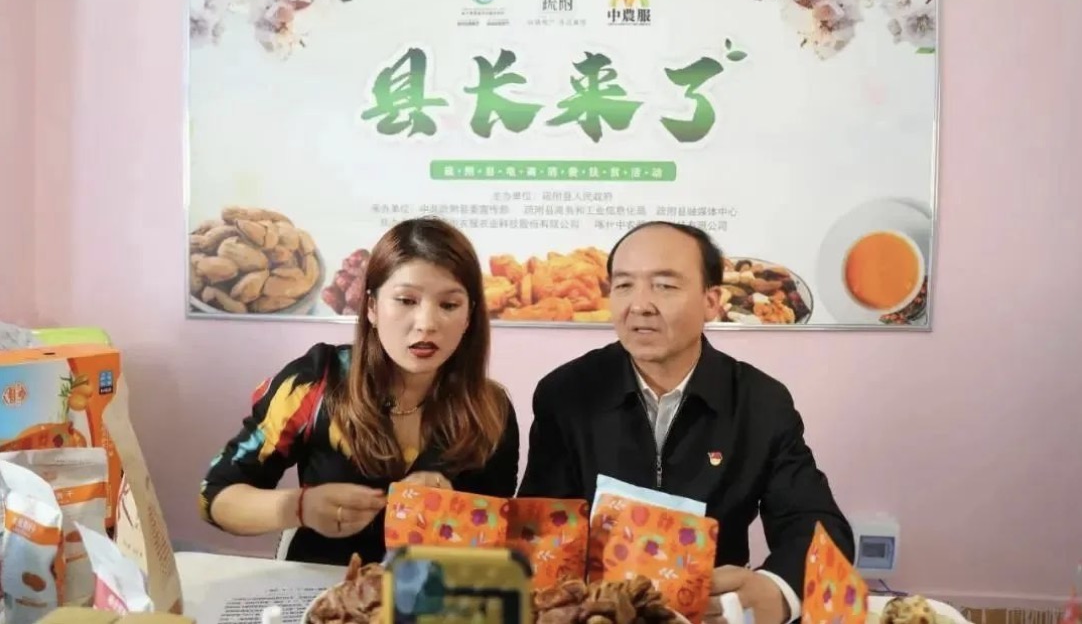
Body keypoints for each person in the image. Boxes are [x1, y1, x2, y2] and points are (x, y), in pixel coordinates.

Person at [517, 221, 853, 624]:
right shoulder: (567, 394)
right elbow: (541, 526)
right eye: (624, 285)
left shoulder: (759, 402)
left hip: (711, 614)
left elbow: (817, 526)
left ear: (712, 301)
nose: (640, 305)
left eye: (664, 285)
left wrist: (778, 590)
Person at [199, 217, 520, 565]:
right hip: (322, 589)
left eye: (449, 305)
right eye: (406, 300)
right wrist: (300, 507)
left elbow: (495, 540)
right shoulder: (315, 382)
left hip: (433, 592)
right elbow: (215, 496)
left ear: (470, 316)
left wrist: (452, 506)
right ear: (372, 307)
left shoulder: (491, 409)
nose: (427, 323)